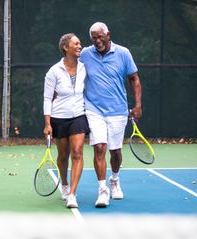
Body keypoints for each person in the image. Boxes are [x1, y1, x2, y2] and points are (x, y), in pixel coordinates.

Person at [80, 22, 142, 208]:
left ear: (108, 35)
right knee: (99, 147)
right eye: (94, 38)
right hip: (93, 109)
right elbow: (69, 64)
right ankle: (102, 190)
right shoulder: (85, 54)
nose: (97, 41)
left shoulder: (123, 53)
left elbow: (134, 79)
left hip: (118, 110)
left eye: (100, 37)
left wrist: (138, 105)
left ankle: (114, 179)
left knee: (115, 151)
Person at [43, 33, 89, 208]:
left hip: (79, 115)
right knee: (63, 156)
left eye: (80, 44)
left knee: (77, 152)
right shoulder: (54, 71)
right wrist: (47, 123)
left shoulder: (85, 67)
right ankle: (64, 184)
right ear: (65, 48)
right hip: (58, 118)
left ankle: (72, 194)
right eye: (76, 44)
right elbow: (47, 98)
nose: (79, 46)